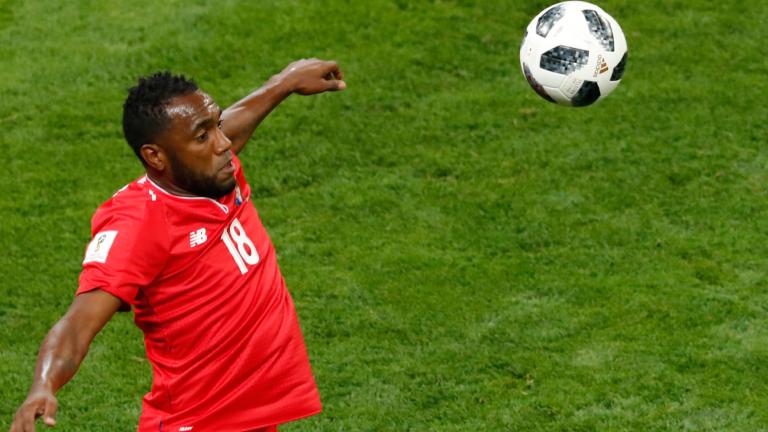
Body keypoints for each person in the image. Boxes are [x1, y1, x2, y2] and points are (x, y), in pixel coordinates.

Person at [10, 58, 346, 432]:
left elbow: (231, 128)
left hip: (251, 413)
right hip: (203, 421)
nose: (223, 145)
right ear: (155, 156)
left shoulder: (208, 169)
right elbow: (77, 324)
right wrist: (43, 384)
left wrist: (284, 82)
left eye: (216, 125)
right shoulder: (139, 225)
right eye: (203, 137)